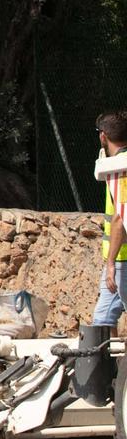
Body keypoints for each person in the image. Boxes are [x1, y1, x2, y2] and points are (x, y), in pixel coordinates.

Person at [94, 112, 126, 334]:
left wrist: (111, 264)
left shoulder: (119, 169)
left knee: (102, 321)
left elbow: (119, 218)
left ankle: (110, 368)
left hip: (123, 259)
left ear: (103, 136)